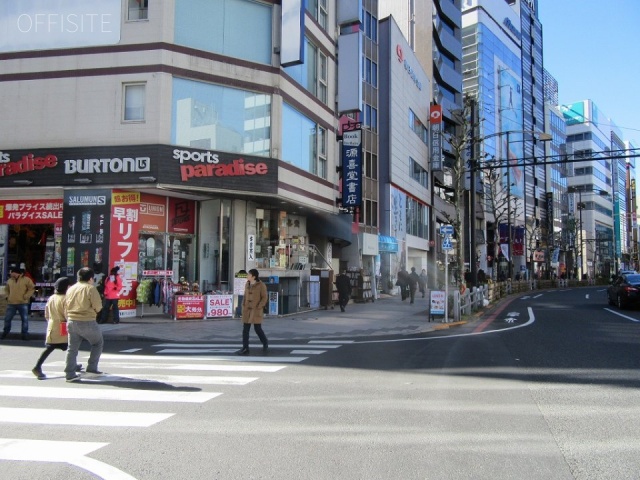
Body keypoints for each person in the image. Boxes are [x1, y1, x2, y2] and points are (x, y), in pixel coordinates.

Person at [31, 277, 82, 380]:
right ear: (67, 287)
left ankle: (38, 366)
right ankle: (71, 366)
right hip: (63, 326)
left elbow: (46, 314)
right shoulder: (66, 299)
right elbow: (68, 315)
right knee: (71, 347)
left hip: (52, 325)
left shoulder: (52, 297)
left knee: (52, 347)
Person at [64, 267, 103, 382]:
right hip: (87, 321)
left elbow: (65, 305)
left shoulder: (71, 289)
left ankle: (69, 373)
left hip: (71, 320)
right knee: (97, 343)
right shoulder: (90, 289)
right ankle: (92, 367)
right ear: (91, 278)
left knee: (72, 348)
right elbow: (98, 306)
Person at [237, 268, 268, 356]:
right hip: (247, 309)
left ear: (254, 276)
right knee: (245, 329)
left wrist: (259, 306)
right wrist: (243, 305)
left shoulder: (261, 285)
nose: (247, 276)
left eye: (249, 274)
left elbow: (264, 297)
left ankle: (265, 342)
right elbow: (245, 295)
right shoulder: (247, 284)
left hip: (256, 310)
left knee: (257, 328)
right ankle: (245, 347)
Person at [2, 266, 36, 340]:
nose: (10, 274)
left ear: (16, 273)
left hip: (23, 303)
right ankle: (5, 332)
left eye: (12, 272)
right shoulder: (9, 280)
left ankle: (24, 334)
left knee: (24, 319)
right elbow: (6, 290)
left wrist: (26, 296)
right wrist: (7, 297)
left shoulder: (26, 280)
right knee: (7, 319)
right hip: (11, 303)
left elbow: (32, 288)